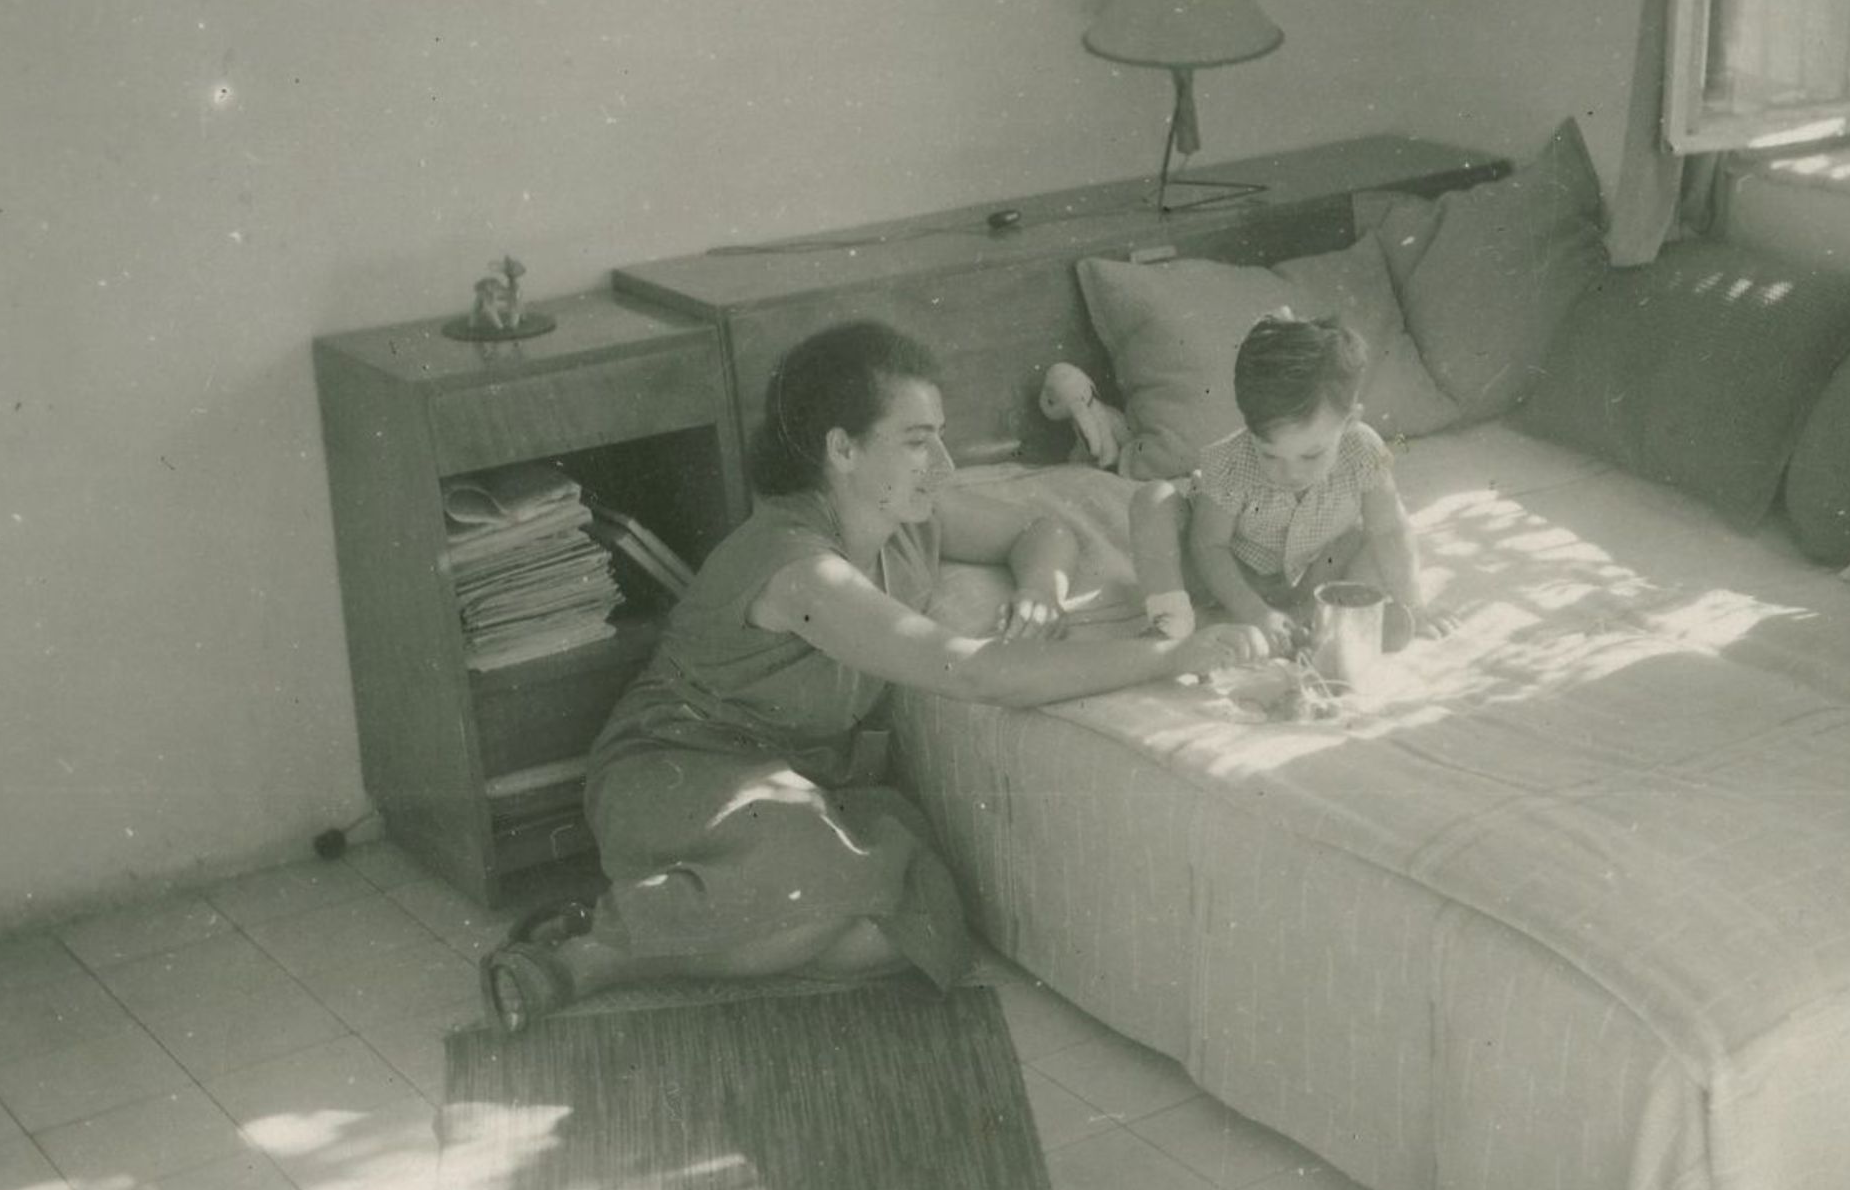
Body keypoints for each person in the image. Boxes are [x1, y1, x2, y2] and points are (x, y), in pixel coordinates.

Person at [480, 320, 1265, 1032]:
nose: (944, 465)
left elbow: (1042, 526)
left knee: (905, 929)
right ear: (842, 449)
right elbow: (976, 674)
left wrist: (1040, 589)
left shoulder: (904, 521)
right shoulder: (799, 567)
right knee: (824, 886)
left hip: (794, 779)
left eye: (941, 438)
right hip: (672, 766)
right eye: (917, 442)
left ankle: (693, 906)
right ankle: (590, 955)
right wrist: (1170, 654)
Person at [1129, 314, 1460, 657]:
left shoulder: (1364, 450)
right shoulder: (1231, 461)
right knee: (1153, 499)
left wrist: (1415, 604)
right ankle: (1173, 623)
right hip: (1226, 578)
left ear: (1349, 421)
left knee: (1377, 537)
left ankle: (1321, 621)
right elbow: (1209, 547)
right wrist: (1254, 611)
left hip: (1308, 580)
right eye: (1269, 454)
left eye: (1311, 455)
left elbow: (1390, 530)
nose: (1290, 473)